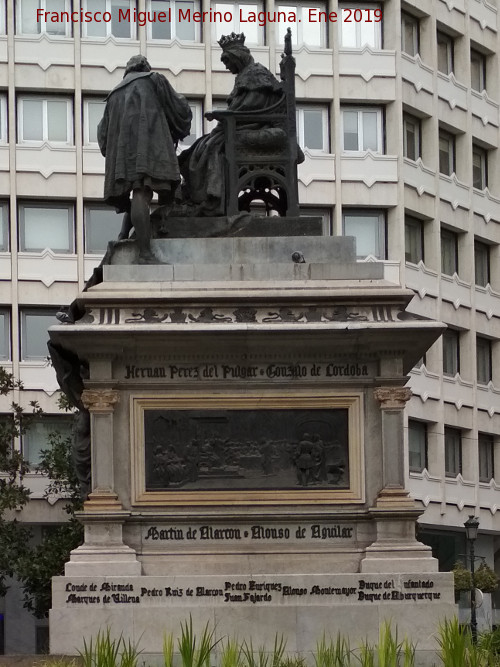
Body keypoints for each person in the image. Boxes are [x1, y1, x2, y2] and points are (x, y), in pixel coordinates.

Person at [98, 54, 192, 262]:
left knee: (138, 190)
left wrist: (117, 150)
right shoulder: (153, 79)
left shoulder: (114, 94)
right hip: (150, 144)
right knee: (142, 190)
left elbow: (102, 135)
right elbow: (180, 109)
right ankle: (145, 252)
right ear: (144, 67)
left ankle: (126, 235)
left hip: (124, 153)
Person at [178, 32, 283, 217]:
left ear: (237, 57)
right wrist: (226, 115)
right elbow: (245, 105)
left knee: (211, 147)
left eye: (227, 62)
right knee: (200, 146)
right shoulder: (246, 74)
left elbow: (253, 104)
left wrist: (225, 115)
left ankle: (212, 200)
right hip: (243, 124)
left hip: (253, 125)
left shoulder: (255, 74)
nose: (227, 67)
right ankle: (197, 196)